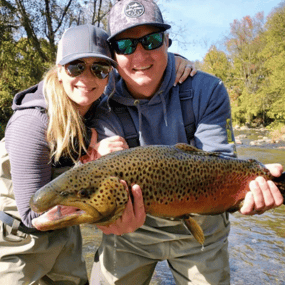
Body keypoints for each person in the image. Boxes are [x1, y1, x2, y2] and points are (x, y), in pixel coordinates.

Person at [89, 1, 284, 284]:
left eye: (152, 40)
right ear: (113, 55)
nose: (140, 54)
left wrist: (246, 193)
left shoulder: (207, 89)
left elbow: (223, 166)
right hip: (130, 229)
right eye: (126, 46)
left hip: (203, 223)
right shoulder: (98, 98)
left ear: (167, 41)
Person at [0, 22, 195, 284]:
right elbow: (32, 214)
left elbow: (139, 68)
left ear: (109, 74)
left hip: (64, 235)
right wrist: (106, 216)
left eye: (99, 69)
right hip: (17, 238)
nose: (87, 78)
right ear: (60, 71)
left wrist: (175, 62)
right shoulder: (32, 124)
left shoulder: (98, 103)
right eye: (76, 67)